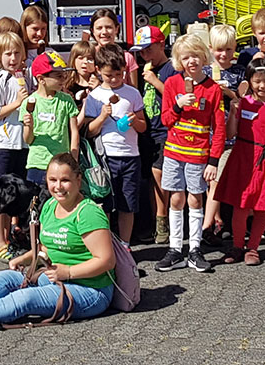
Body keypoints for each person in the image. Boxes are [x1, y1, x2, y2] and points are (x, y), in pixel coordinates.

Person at [0, 153, 116, 330]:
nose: (58, 186)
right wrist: (22, 259)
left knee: (26, 298)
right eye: (53, 180)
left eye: (65, 180)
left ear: (78, 180)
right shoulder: (50, 206)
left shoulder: (88, 213)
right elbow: (47, 246)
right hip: (55, 277)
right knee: (4, 277)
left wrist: (68, 272)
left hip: (90, 290)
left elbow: (106, 260)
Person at [155, 35, 224, 273]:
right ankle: (175, 249)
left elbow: (219, 128)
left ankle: (195, 249)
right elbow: (165, 119)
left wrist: (213, 161)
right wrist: (178, 104)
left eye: (195, 55)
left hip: (198, 154)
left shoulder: (213, 89)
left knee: (196, 198)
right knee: (175, 198)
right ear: (178, 60)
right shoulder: (173, 84)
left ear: (204, 57)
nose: (191, 61)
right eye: (186, 57)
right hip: (174, 152)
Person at [213, 62, 265, 265]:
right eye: (257, 81)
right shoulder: (242, 103)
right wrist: (232, 111)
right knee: (240, 205)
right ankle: (238, 246)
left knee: (262, 207)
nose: (262, 85)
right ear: (249, 82)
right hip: (242, 156)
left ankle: (253, 248)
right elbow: (230, 134)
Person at [81, 43, 147, 245]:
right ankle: (105, 244)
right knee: (105, 203)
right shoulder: (95, 96)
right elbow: (89, 131)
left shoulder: (132, 93)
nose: (115, 79)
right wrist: (102, 116)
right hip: (105, 157)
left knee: (128, 204)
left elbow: (143, 127)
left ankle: (125, 245)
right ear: (99, 70)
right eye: (109, 75)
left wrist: (134, 121)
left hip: (130, 156)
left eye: (119, 74)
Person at [0, 31, 30, 261]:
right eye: (7, 54)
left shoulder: (25, 77)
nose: (12, 58)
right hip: (1, 143)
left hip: (21, 142)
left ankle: (9, 238)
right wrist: (17, 103)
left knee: (15, 194)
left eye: (16, 53)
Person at [202, 23, 248, 246]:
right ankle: (214, 221)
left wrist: (226, 92)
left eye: (228, 49)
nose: (223, 54)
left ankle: (213, 224)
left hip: (230, 133)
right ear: (211, 48)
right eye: (219, 49)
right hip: (206, 132)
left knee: (219, 180)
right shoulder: (204, 71)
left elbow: (241, 99)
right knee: (209, 181)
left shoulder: (240, 71)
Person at [133, 25, 176, 245]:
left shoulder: (171, 69)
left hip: (165, 131)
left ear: (161, 45)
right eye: (141, 51)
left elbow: (177, 98)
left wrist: (155, 81)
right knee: (150, 177)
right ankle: (153, 220)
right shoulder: (144, 70)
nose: (144, 55)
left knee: (159, 175)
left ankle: (163, 221)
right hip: (147, 131)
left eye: (148, 49)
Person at [22, 51, 80, 186]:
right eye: (58, 76)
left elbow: (74, 131)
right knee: (37, 203)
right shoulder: (30, 101)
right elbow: (28, 140)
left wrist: (73, 158)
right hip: (38, 163)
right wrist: (28, 126)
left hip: (61, 164)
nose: (63, 79)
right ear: (41, 79)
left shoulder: (66, 100)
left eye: (64, 75)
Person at [89, 9, 138, 86]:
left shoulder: (127, 58)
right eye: (99, 28)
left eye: (109, 27)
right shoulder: (88, 56)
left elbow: (134, 92)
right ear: (93, 31)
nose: (104, 32)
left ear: (116, 29)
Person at [20, 5, 50, 71]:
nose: (39, 34)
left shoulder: (50, 54)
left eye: (43, 29)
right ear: (24, 27)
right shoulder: (17, 55)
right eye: (35, 29)